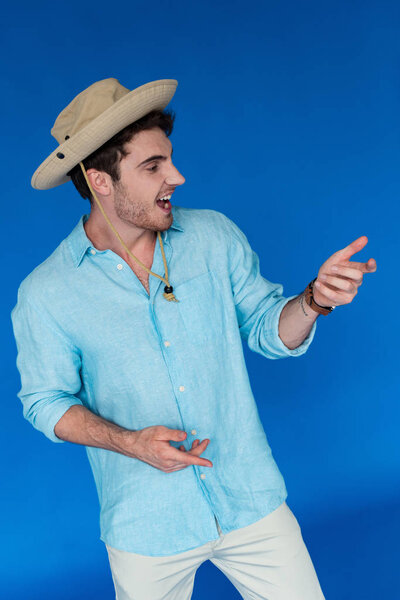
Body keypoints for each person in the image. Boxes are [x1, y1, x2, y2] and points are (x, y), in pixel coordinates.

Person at [11, 77, 376, 600]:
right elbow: (44, 402)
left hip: (249, 498)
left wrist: (315, 300)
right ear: (99, 182)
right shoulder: (47, 293)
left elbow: (266, 329)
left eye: (170, 159)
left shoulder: (213, 236)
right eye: (153, 166)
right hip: (147, 526)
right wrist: (130, 443)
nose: (177, 177)